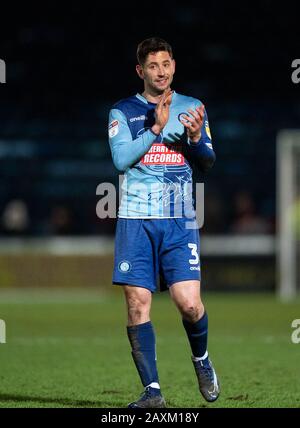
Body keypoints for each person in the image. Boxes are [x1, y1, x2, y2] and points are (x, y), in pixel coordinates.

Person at [108, 37, 219, 408]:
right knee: (137, 303)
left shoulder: (193, 108)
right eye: (153, 66)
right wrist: (155, 129)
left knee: (188, 303)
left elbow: (207, 161)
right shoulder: (122, 111)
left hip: (178, 219)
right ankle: (152, 392)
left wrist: (195, 138)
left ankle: (201, 360)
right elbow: (121, 160)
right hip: (135, 219)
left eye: (167, 64)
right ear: (141, 71)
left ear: (174, 65)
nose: (162, 71)